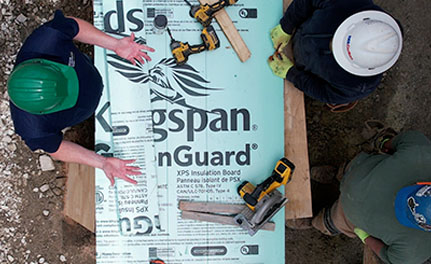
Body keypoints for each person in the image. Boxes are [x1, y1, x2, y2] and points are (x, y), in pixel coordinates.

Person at [7, 10, 155, 186]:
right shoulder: (32, 128)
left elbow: (73, 26)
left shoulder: (46, 41)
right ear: (43, 111)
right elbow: (56, 149)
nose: (72, 89)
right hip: (84, 110)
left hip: (88, 71)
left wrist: (115, 45)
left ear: (47, 64)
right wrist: (102, 162)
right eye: (68, 95)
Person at [311, 130, 431, 264]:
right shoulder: (415, 252)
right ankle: (319, 221)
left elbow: (390, 144)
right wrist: (366, 237)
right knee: (333, 222)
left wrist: (382, 143)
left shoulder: (421, 151)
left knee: (356, 169)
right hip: (350, 213)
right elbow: (387, 255)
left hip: (356, 174)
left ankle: (336, 174)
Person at [268, 0, 403, 112]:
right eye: (335, 39)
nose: (329, 45)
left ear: (356, 66)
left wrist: (291, 74)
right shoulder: (350, 3)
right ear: (352, 24)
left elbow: (324, 92)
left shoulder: (358, 85)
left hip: (302, 64)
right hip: (301, 28)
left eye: (336, 52)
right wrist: (287, 25)